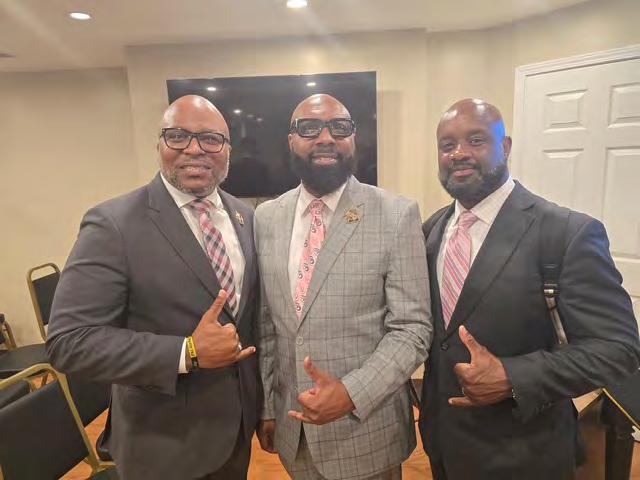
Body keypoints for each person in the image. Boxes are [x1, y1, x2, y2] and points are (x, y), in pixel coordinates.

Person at [419, 98, 640, 480]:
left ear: (505, 147)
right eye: (447, 145)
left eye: (476, 140)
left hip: (525, 453)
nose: (459, 153)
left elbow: (619, 349)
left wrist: (513, 376)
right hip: (442, 445)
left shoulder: (566, 233)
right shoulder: (431, 230)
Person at [46, 95, 260, 480]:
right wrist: (186, 351)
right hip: (163, 445)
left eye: (211, 139)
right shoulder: (114, 224)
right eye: (178, 136)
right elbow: (69, 341)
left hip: (236, 435)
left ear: (228, 151)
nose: (194, 149)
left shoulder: (246, 216)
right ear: (159, 144)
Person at [254, 93, 433, 480]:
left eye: (339, 127)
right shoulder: (266, 218)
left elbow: (413, 329)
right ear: (291, 140)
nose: (325, 138)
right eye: (309, 128)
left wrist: (352, 392)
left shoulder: (396, 214)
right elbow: (268, 325)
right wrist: (268, 406)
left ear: (354, 138)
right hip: (293, 431)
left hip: (366, 432)